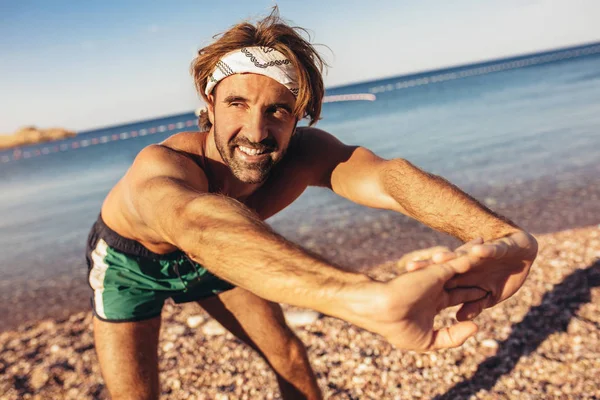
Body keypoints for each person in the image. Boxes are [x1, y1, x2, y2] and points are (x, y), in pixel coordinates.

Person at [86, 8, 538, 400]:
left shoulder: (304, 155)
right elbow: (198, 224)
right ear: (210, 101)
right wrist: (365, 299)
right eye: (237, 103)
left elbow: (389, 178)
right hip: (130, 268)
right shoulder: (165, 164)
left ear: (301, 113)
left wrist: (502, 234)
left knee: (289, 356)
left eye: (277, 110)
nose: (256, 132)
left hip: (228, 253)